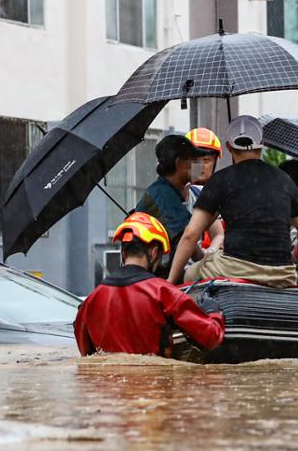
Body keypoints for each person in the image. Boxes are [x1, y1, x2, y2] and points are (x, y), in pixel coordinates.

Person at [168, 115, 298, 290]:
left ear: (229, 147)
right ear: (261, 144)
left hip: (236, 269)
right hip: (282, 275)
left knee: (190, 273)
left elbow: (191, 234)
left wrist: (170, 280)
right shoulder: (284, 180)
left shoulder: (220, 181)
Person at [74, 212, 225, 356]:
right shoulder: (164, 292)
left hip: (107, 380)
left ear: (123, 252)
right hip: (153, 380)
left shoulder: (91, 301)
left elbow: (85, 352)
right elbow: (211, 338)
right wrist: (212, 311)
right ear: (153, 253)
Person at [135, 134, 212, 272]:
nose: (198, 166)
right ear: (179, 163)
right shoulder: (163, 195)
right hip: (156, 279)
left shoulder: (166, 190)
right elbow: (188, 238)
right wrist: (207, 262)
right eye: (193, 160)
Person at [185, 127, 225, 252]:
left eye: (206, 160)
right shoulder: (175, 190)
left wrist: (209, 253)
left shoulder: (204, 194)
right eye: (196, 160)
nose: (201, 166)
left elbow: (218, 235)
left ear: (215, 163)